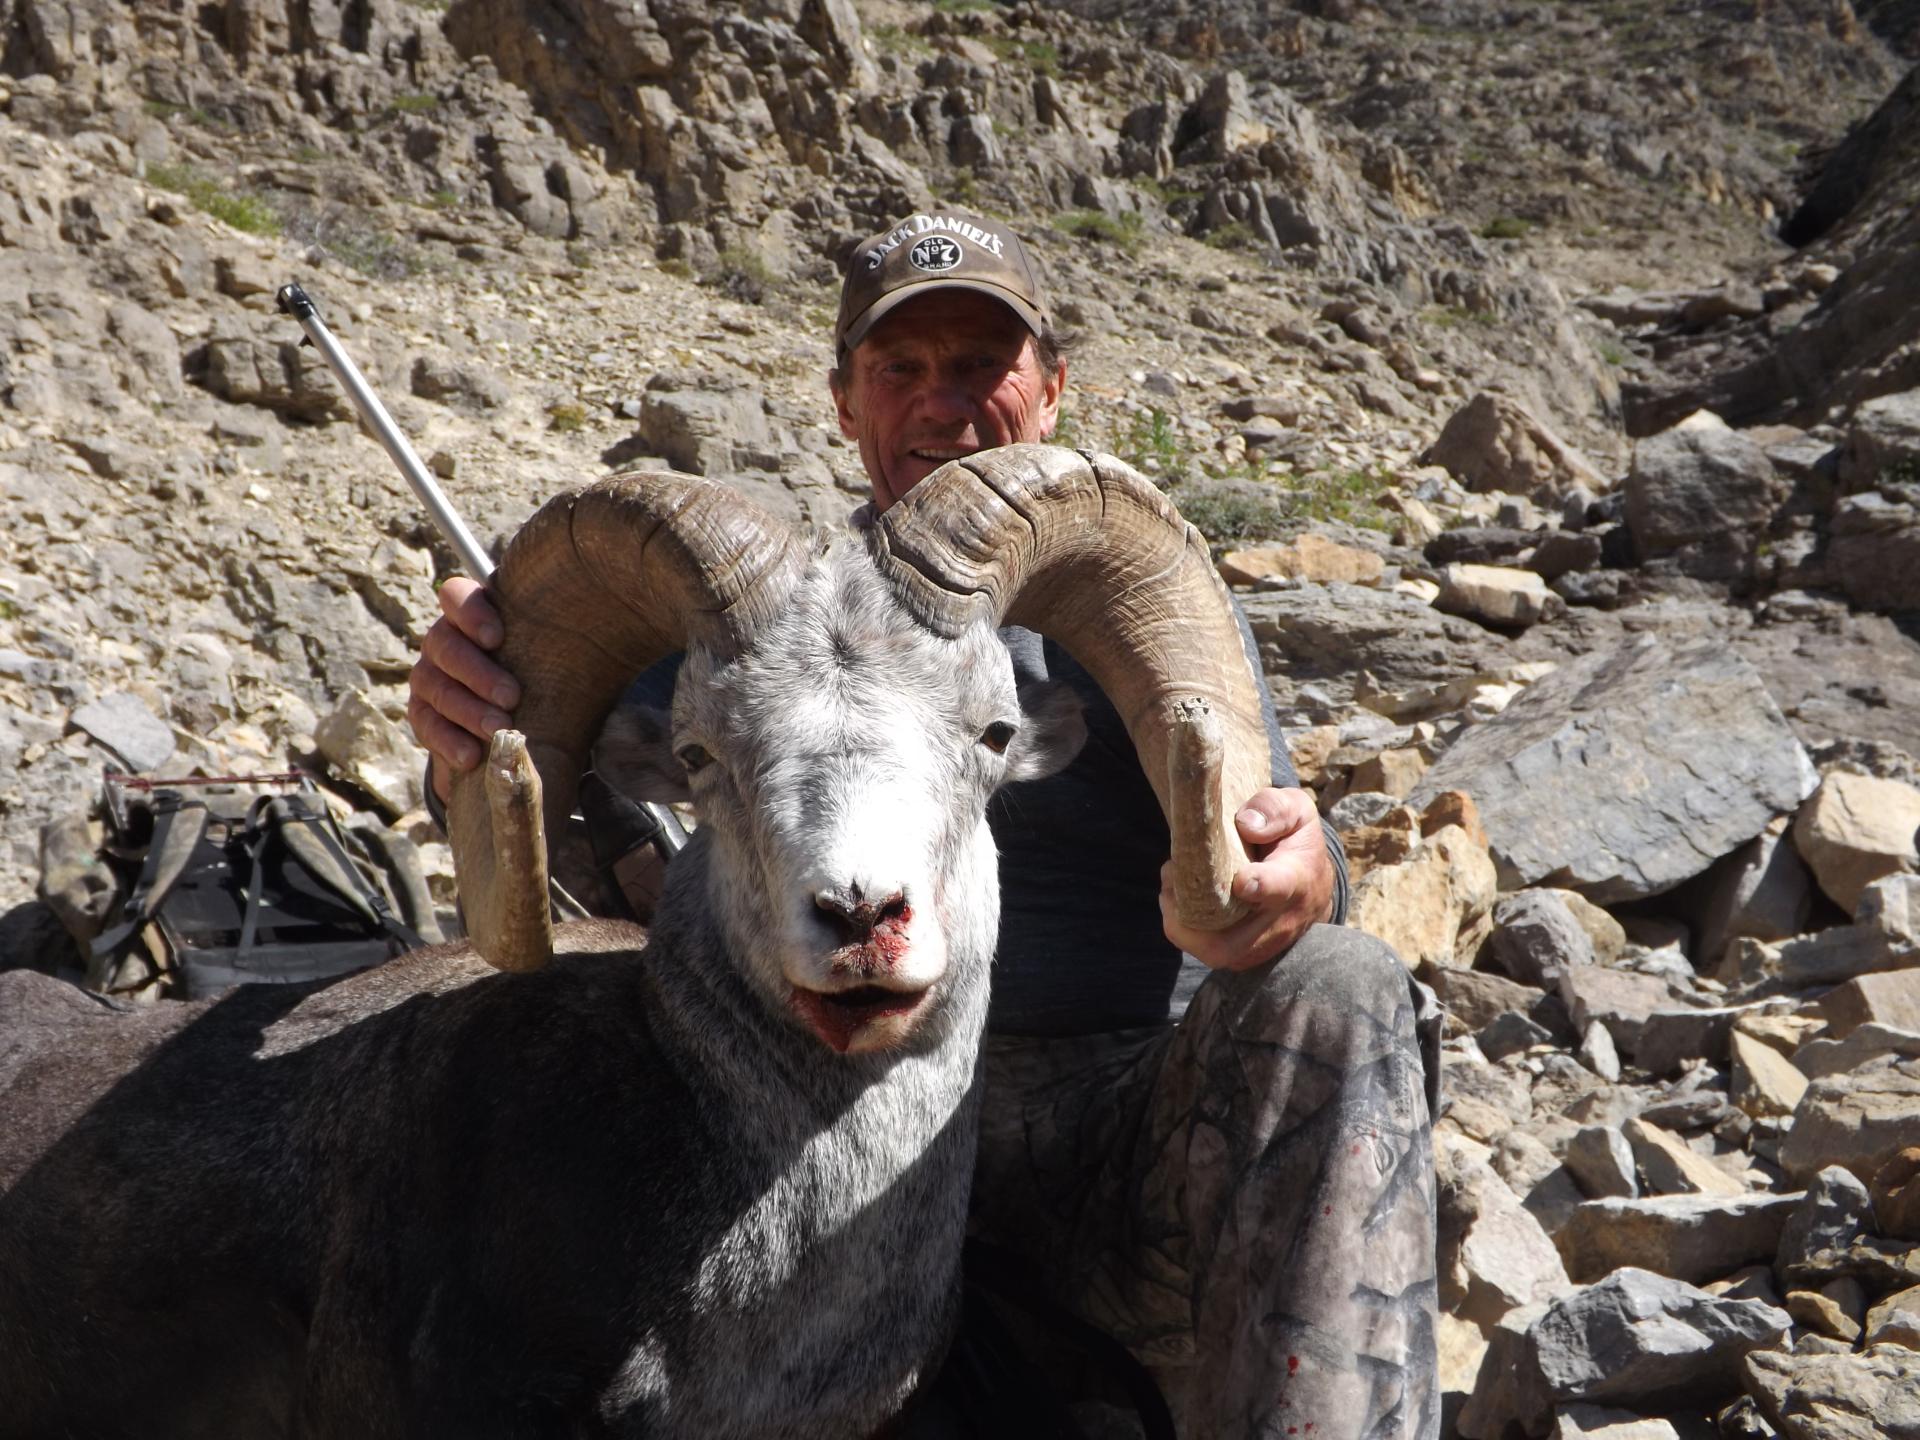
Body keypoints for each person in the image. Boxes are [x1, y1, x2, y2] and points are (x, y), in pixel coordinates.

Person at [408, 210, 1439, 1439]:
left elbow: (1265, 851)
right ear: (845, 401)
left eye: (982, 365)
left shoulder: (1119, 602)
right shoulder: (753, 635)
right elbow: (524, 823)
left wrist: (1293, 881)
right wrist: (476, 709)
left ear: (1053, 389)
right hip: (790, 1144)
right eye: (901, 368)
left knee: (1342, 982)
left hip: (1099, 1134)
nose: (943, 403)